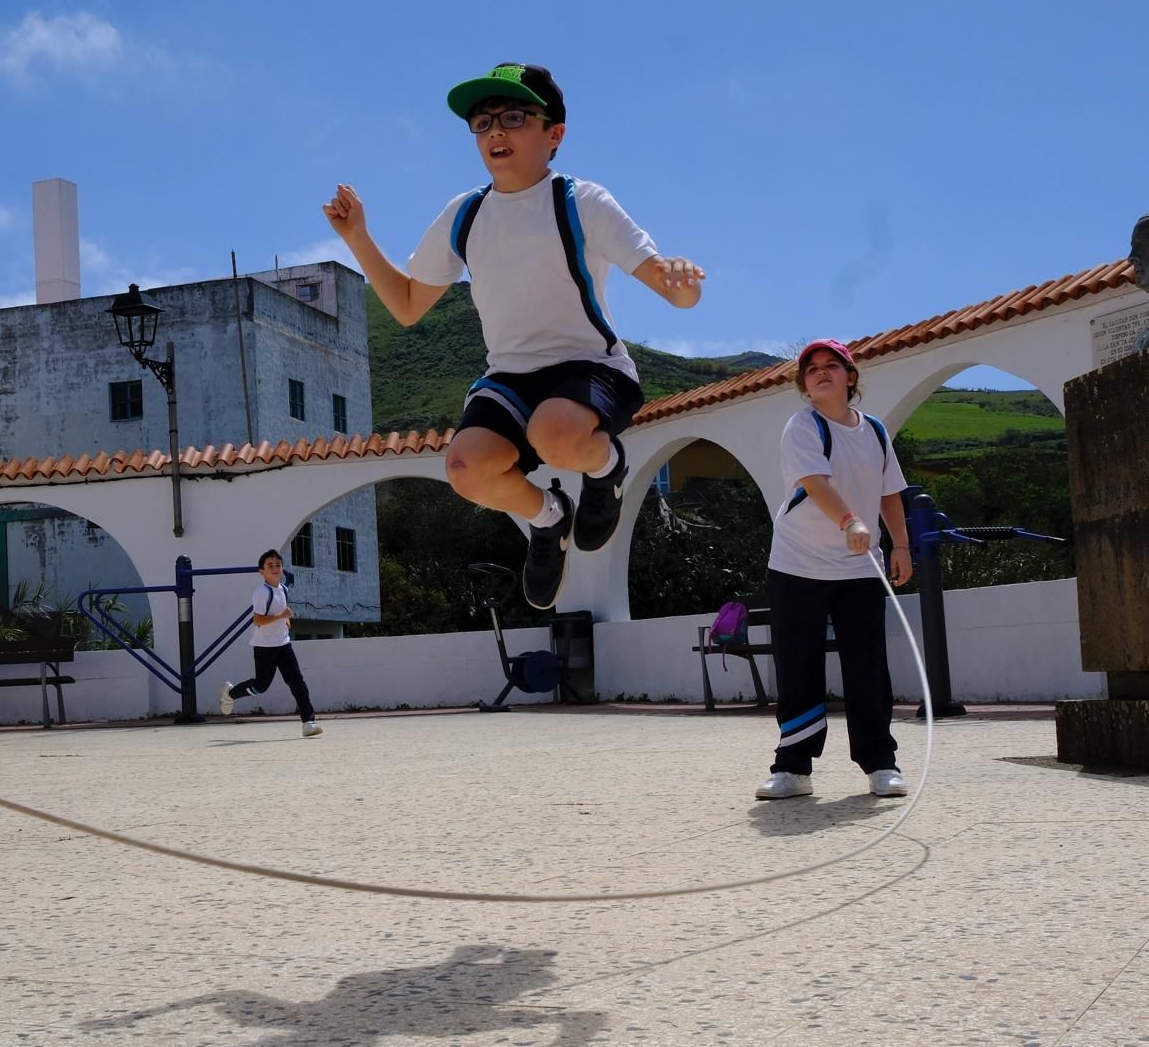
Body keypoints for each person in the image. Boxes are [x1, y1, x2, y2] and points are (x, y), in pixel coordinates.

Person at [323, 63, 704, 609]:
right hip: (508, 378)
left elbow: (670, 287)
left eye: (515, 117)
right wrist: (357, 236)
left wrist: (685, 283)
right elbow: (407, 305)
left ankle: (607, 468)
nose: (496, 131)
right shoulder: (466, 214)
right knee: (464, 468)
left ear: (555, 135)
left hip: (590, 367)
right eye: (483, 122)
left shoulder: (583, 201)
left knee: (555, 432)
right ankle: (550, 520)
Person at [755, 339, 913, 801]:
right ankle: (793, 768)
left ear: (850, 377)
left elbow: (890, 492)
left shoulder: (876, 432)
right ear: (804, 384)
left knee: (868, 665)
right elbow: (813, 483)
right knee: (798, 663)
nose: (820, 373)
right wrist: (850, 520)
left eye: (831, 366)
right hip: (797, 563)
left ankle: (881, 762)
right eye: (811, 369)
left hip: (860, 566)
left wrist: (899, 544)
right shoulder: (801, 426)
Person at [218, 550, 323, 737]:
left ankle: (309, 722)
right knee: (260, 686)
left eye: (277, 565)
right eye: (270, 566)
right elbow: (257, 620)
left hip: (284, 645)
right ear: (262, 572)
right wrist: (281, 616)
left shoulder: (283, 589)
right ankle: (230, 693)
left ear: (282, 569)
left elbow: (281, 611)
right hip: (264, 648)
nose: (275, 569)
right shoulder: (261, 593)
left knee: (297, 681)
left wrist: (286, 621)